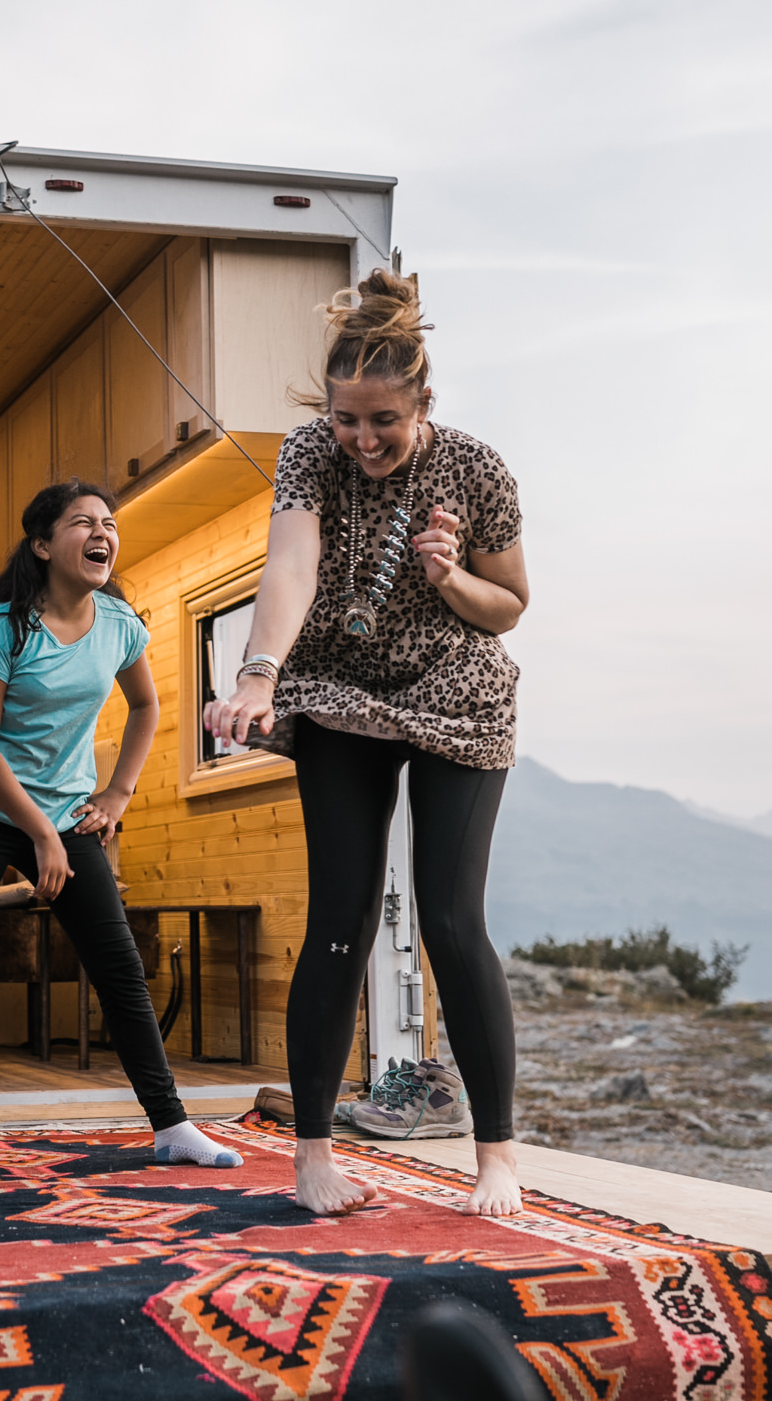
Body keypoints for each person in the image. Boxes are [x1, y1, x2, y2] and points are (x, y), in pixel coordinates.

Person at [202, 270, 528, 1220]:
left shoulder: (478, 470)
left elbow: (507, 607)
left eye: (382, 420)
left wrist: (449, 577)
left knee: (452, 922)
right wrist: (258, 671)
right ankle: (312, 1158)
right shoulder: (309, 454)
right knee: (338, 916)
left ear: (423, 402)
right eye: (348, 420)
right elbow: (292, 563)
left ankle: (496, 1158)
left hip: (454, 695)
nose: (363, 440)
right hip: (340, 693)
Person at [0, 480, 240, 1172]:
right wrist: (39, 836)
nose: (102, 534)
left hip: (65, 814)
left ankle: (171, 1126)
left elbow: (146, 708)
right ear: (42, 545)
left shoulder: (120, 624)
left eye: (109, 524)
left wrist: (118, 794)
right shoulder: (1, 629)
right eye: (82, 523)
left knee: (119, 969)